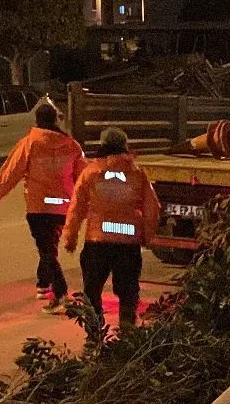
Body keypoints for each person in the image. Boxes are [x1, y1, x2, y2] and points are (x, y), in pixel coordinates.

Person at [0, 102, 87, 315]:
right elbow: (83, 175)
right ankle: (43, 284)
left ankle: (60, 291)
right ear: (54, 120)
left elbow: (12, 170)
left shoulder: (30, 143)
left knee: (46, 249)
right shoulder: (71, 145)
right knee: (49, 245)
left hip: (39, 206)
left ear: (37, 121)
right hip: (62, 206)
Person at [63, 128, 161, 328]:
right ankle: (127, 331)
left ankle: (95, 334)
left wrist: (70, 238)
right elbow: (153, 208)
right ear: (125, 145)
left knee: (92, 292)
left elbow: (76, 208)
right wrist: (146, 236)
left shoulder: (90, 172)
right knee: (128, 291)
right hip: (127, 246)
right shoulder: (136, 173)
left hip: (97, 243)